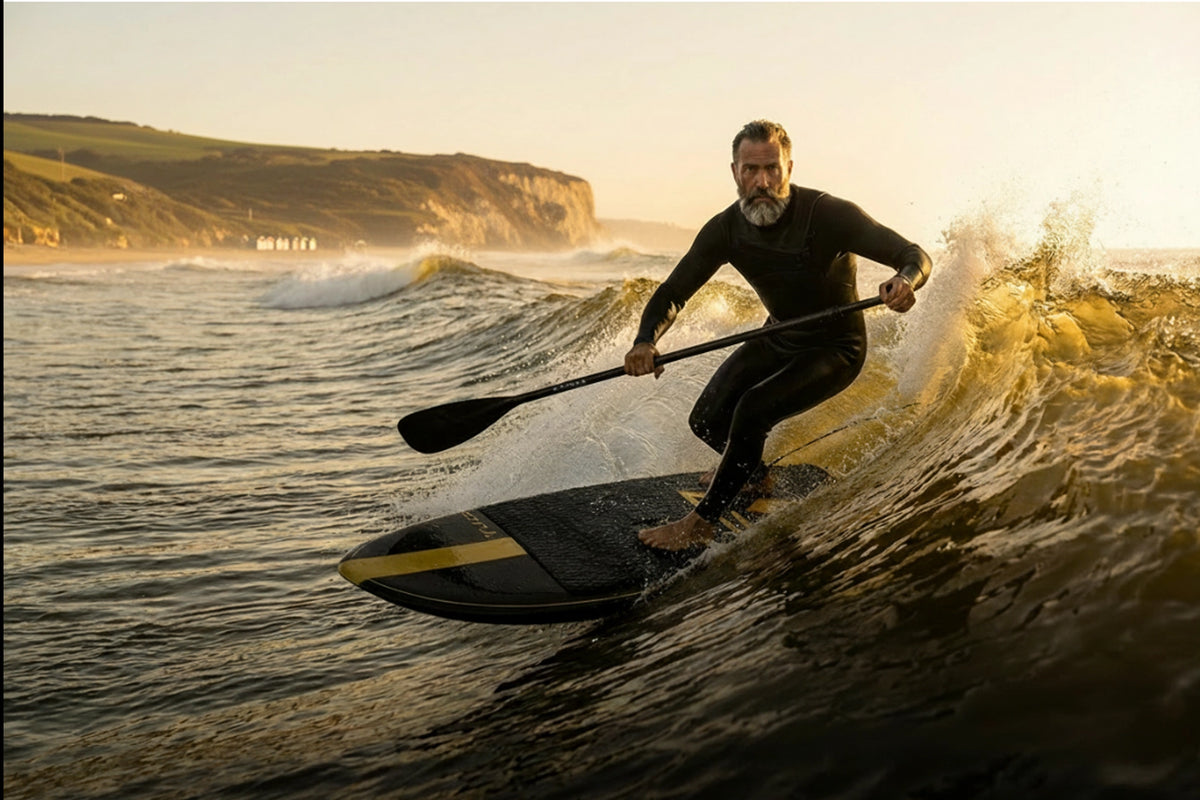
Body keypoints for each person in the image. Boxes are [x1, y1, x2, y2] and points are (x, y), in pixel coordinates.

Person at [624, 119, 932, 551]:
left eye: (772, 169)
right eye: (750, 170)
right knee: (706, 421)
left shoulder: (827, 214)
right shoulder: (726, 229)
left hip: (836, 347)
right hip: (780, 336)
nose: (762, 182)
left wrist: (905, 281)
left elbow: (913, 254)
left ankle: (700, 525)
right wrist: (645, 340)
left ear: (789, 168)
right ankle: (753, 474)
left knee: (750, 411)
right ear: (734, 172)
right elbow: (674, 291)